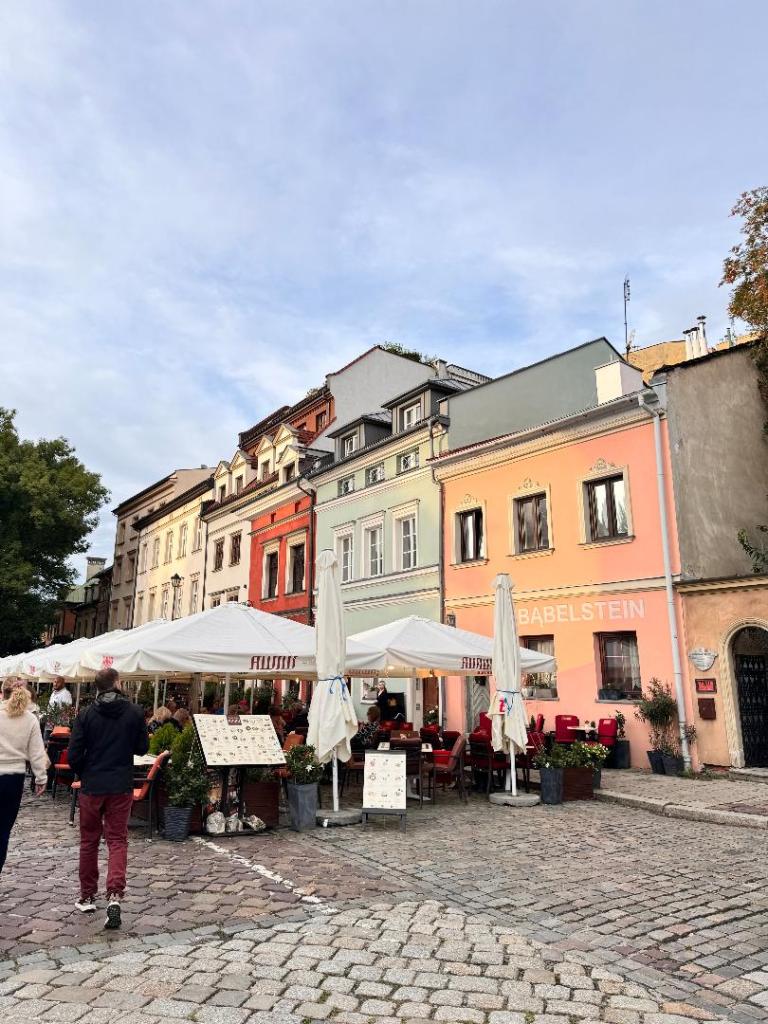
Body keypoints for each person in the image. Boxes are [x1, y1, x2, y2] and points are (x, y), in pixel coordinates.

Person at [68, 667, 148, 929]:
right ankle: (114, 894)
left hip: (93, 785)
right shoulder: (134, 712)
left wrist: (86, 771)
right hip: (120, 785)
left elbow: (74, 755)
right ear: (117, 683)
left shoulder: (86, 714)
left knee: (89, 841)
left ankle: (87, 895)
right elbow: (142, 748)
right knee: (117, 840)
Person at [0, 685, 48, 873]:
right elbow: (36, 751)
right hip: (13, 778)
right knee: (3, 830)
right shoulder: (30, 719)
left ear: (2, 693)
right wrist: (41, 777)